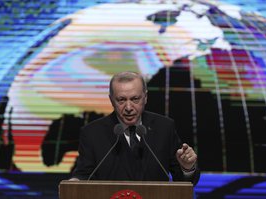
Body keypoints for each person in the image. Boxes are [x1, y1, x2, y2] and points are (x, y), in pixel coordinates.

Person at [70, 71, 200, 185]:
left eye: (135, 99)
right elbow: (83, 175)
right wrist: (74, 183)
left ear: (145, 97)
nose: (128, 107)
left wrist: (187, 168)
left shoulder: (164, 128)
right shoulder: (92, 133)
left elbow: (183, 182)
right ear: (111, 100)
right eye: (121, 100)